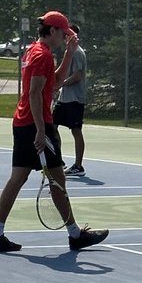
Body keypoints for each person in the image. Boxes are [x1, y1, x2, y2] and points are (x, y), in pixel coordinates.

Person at [0, 11, 109, 253]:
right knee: (57, 180)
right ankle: (75, 235)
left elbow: (55, 82)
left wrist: (70, 53)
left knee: (19, 179)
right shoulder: (42, 55)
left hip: (24, 123)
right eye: (63, 34)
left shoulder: (35, 51)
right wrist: (41, 131)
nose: (65, 38)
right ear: (52, 31)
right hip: (36, 125)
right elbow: (34, 93)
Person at [53, 22, 87, 176]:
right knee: (52, 127)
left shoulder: (78, 52)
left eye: (69, 34)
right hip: (63, 99)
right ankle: (58, 161)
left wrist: (61, 84)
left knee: (76, 131)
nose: (66, 37)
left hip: (75, 99)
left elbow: (78, 75)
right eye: (65, 34)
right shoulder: (68, 53)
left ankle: (78, 166)